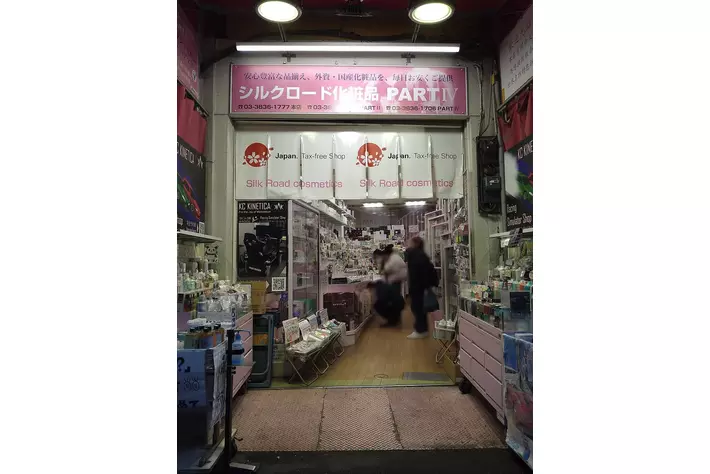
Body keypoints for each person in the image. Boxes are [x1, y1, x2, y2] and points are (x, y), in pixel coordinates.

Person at [404, 236, 438, 339]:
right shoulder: (421, 255)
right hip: (421, 286)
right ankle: (422, 329)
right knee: (419, 308)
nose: (408, 244)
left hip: (418, 286)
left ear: (415, 244)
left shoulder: (415, 255)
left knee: (417, 308)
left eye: (410, 242)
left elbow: (417, 273)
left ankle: (420, 330)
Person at [380, 245, 407, 327]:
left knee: (391, 301)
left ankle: (392, 321)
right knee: (395, 300)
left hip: (394, 282)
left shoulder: (393, 258)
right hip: (397, 281)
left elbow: (386, 269)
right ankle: (396, 319)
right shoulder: (397, 257)